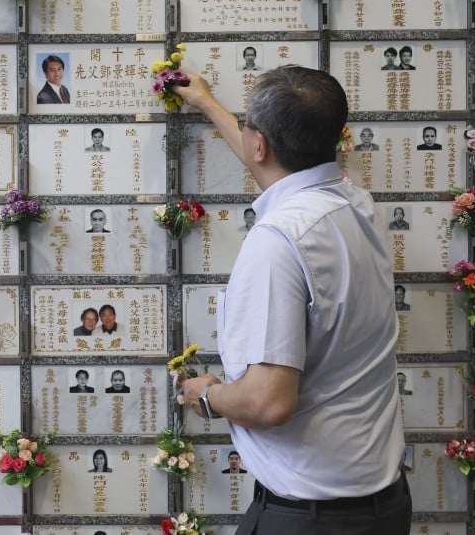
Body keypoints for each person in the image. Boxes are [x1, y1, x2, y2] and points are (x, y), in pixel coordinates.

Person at [173, 65, 411, 534]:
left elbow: (268, 403)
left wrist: (207, 396)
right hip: (383, 506)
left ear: (258, 144)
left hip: (308, 519)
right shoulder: (359, 206)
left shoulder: (277, 242)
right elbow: (276, 169)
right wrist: (206, 103)